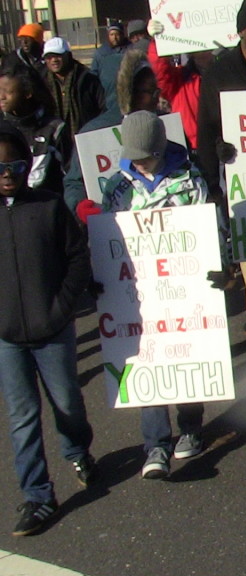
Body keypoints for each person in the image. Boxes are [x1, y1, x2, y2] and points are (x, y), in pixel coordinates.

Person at [100, 111, 213, 478]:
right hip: (140, 291)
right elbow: (107, 238)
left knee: (184, 354)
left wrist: (217, 264)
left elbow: (208, 226)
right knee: (151, 360)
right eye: (133, 155)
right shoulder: (118, 187)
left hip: (184, 284)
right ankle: (156, 445)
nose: (138, 161)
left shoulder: (190, 179)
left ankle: (192, 425)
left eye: (145, 154)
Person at [0, 121, 96, 536]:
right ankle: (37, 495)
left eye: (15, 164)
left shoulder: (49, 205)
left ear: (28, 166)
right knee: (22, 417)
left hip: (53, 329)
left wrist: (61, 308)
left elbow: (77, 259)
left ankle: (77, 449)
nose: (6, 173)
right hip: (7, 338)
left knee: (67, 403)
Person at [196, 0, 246, 336]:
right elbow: (207, 123)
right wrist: (212, 162)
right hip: (241, 167)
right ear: (241, 31)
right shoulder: (221, 71)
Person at [64, 49, 159, 221]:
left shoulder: (165, 125)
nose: (156, 98)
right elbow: (73, 183)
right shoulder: (93, 133)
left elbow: (189, 165)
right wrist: (80, 206)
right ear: (128, 91)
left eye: (157, 91)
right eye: (149, 91)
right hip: (111, 233)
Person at [0, 64, 71, 195]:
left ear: (27, 93)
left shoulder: (53, 128)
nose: (2, 97)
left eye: (8, 92)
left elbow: (71, 175)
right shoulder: (3, 129)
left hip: (44, 207)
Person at [145, 21, 210, 152]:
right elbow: (159, 71)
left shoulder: (229, 72)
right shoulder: (180, 79)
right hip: (193, 149)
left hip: (229, 146)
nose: (203, 51)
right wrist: (157, 42)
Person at [40, 37, 106, 135]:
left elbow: (103, 107)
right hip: (56, 140)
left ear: (68, 56)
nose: (54, 60)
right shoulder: (42, 82)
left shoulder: (87, 79)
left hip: (85, 136)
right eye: (49, 57)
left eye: (58, 55)